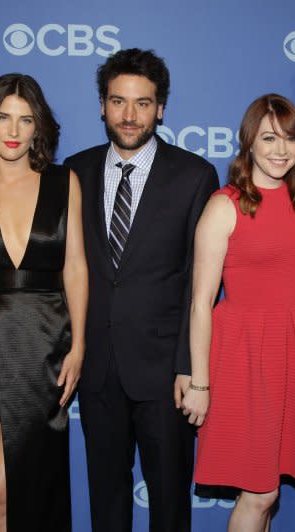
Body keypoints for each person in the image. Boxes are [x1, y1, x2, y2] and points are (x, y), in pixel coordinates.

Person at [64, 48, 219, 532]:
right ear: (102, 106)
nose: (130, 116)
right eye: (118, 102)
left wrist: (186, 367)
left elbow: (200, 282)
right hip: (97, 370)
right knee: (106, 500)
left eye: (143, 103)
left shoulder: (194, 176)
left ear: (161, 108)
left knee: (170, 502)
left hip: (164, 376)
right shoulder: (74, 170)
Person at [0, 73, 87, 532]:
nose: (13, 130)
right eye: (3, 117)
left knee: (6, 492)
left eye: (25, 120)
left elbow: (75, 268)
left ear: (38, 128)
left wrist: (79, 346)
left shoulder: (64, 182)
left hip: (42, 346)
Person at [182, 94, 295, 531]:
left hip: (292, 353)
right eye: (269, 138)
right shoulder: (226, 205)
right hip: (244, 356)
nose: (280, 150)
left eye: (290, 139)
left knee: (267, 492)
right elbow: (202, 302)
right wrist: (200, 382)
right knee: (260, 492)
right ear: (249, 143)